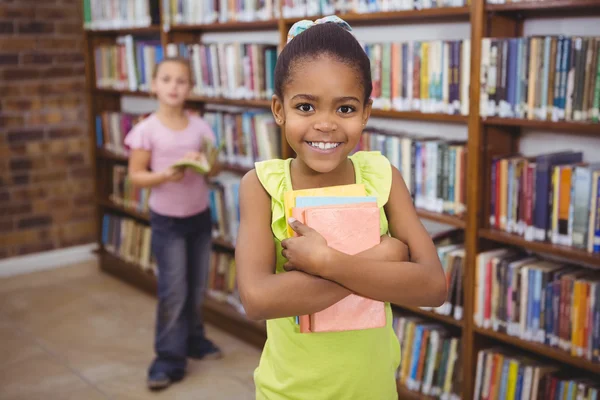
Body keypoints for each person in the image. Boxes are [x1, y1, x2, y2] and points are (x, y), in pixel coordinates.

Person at [235, 16, 448, 400]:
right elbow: (258, 299)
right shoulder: (261, 186)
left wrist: (328, 263)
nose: (326, 125)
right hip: (288, 392)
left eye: (345, 110)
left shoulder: (384, 177)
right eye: (305, 107)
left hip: (374, 389)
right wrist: (380, 258)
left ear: (366, 112)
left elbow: (432, 286)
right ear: (278, 109)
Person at [125, 57, 222, 391]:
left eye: (181, 81)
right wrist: (165, 175)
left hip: (199, 217)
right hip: (167, 222)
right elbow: (136, 175)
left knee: (196, 288)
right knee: (173, 292)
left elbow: (214, 168)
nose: (173, 87)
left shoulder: (200, 127)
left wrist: (203, 164)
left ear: (190, 88)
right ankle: (167, 358)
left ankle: (194, 340)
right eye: (166, 79)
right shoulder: (146, 130)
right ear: (154, 85)